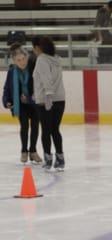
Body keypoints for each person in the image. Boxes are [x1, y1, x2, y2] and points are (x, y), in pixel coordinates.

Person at [2, 44, 42, 164]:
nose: (22, 62)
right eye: (18, 60)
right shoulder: (11, 72)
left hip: (34, 103)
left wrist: (30, 98)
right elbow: (7, 89)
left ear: (27, 57)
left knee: (35, 126)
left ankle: (33, 151)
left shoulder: (34, 69)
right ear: (14, 61)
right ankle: (24, 151)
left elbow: (39, 86)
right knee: (24, 126)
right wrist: (7, 101)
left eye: (23, 59)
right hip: (21, 105)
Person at [33, 37, 66, 171]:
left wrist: (48, 97)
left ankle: (48, 159)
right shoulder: (56, 59)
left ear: (38, 48)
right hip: (60, 99)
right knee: (55, 130)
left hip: (47, 100)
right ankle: (60, 158)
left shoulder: (42, 59)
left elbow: (47, 79)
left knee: (46, 131)